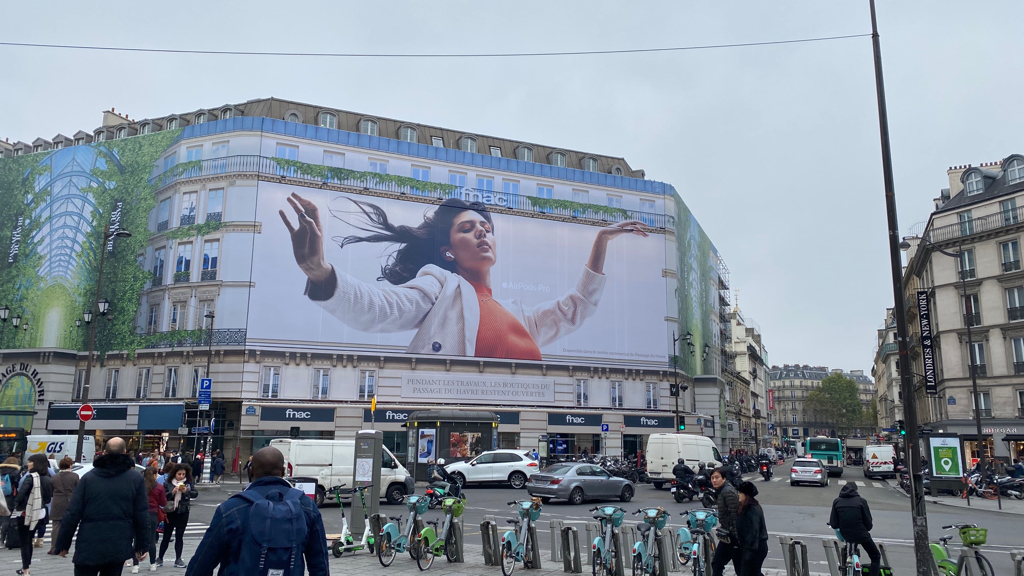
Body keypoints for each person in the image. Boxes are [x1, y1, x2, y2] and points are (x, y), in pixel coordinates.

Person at [281, 194, 648, 360]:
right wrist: (318, 270)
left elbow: (577, 307)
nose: (482, 233)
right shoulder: (441, 286)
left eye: (486, 227)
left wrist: (602, 240)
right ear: (448, 252)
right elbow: (381, 309)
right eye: (468, 228)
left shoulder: (517, 314)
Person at [184, 447, 329, 576]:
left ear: (251, 471)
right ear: (283, 471)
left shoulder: (231, 508)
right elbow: (319, 564)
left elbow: (203, 562)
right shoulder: (306, 506)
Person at [56, 437, 149, 576]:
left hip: (89, 542)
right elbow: (141, 514)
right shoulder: (135, 479)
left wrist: (63, 543)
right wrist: (141, 545)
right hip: (118, 541)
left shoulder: (88, 478)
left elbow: (72, 513)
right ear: (125, 452)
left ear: (104, 452)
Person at [829, 483, 880, 576]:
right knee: (875, 556)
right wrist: (866, 529)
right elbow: (868, 523)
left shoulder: (837, 501)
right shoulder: (861, 501)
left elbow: (834, 523)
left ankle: (848, 562)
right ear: (856, 490)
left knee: (849, 545)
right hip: (862, 535)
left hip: (846, 534)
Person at [14, 454, 52, 575]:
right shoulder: (47, 478)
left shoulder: (30, 477)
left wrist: (17, 503)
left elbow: (21, 495)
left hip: (27, 513)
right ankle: (26, 567)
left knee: (25, 541)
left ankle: (26, 569)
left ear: (36, 463)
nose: (28, 463)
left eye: (30, 461)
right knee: (30, 538)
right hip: (40, 513)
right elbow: (47, 499)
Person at [159, 464, 198, 568]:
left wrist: (186, 491)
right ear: (174, 474)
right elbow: (163, 496)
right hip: (171, 512)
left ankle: (178, 558)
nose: (181, 476)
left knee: (179, 536)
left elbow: (195, 493)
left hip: (183, 511)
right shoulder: (168, 483)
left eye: (183, 474)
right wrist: (172, 492)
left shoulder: (188, 483)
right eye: (179, 474)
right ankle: (160, 557)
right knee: (166, 536)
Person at [132, 468, 166, 573]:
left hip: (139, 513)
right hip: (152, 514)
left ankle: (135, 565)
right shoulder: (159, 487)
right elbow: (163, 502)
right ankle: (152, 564)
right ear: (155, 475)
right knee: (151, 539)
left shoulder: (139, 485)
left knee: (137, 538)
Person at [709, 467, 742, 576]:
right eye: (712, 478)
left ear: (724, 478)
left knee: (739, 569)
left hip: (734, 538)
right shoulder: (722, 491)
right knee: (717, 564)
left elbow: (736, 516)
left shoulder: (727, 492)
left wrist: (738, 539)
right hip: (727, 537)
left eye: (717, 477)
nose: (714, 480)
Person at [47, 456, 78, 555]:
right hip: (70, 502)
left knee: (56, 525)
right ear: (70, 465)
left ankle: (54, 547)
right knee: (68, 526)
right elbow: (78, 490)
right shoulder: (75, 476)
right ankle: (64, 547)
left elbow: (51, 491)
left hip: (57, 502)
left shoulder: (54, 477)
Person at [736, 482, 768, 576]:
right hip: (752, 548)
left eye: (740, 493)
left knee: (750, 573)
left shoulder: (752, 509)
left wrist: (748, 553)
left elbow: (754, 533)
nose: (738, 494)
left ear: (746, 495)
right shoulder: (745, 507)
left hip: (755, 549)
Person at [1, 456, 22, 549]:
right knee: (6, 518)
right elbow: (18, 484)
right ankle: (2, 540)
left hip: (0, 494)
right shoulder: (16, 472)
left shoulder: (0, 469)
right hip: (9, 497)